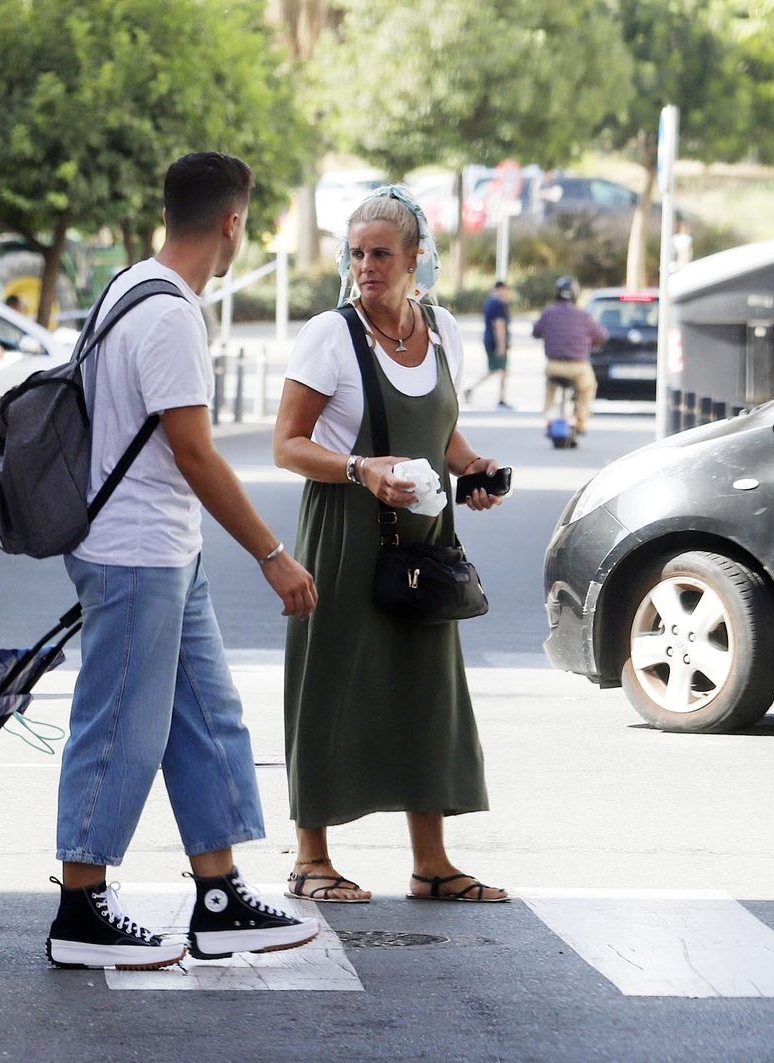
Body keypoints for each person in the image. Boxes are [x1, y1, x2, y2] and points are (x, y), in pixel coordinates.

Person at [46, 152, 318, 971]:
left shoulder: (129, 285)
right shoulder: (170, 316)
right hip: (134, 552)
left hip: (164, 548)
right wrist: (273, 555)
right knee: (120, 725)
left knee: (206, 716)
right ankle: (80, 907)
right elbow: (195, 452)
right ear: (232, 222)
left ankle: (221, 893)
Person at [274, 187, 508, 907]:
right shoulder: (329, 335)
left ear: (415, 259)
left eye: (381, 253)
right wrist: (358, 468)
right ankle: (311, 856)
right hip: (345, 531)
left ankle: (431, 863)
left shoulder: (442, 331)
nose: (366, 266)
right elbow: (287, 445)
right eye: (356, 253)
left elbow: (440, 432)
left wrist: (470, 468)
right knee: (330, 682)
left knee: (424, 689)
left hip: (427, 533)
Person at [533, 276, 606, 435]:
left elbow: (536, 332)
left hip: (553, 366)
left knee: (550, 385)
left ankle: (549, 414)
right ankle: (581, 420)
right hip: (578, 367)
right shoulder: (583, 315)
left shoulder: (548, 313)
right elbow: (601, 335)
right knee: (588, 387)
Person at [463, 280, 513, 410]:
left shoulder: (491, 303)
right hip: (495, 342)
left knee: (502, 370)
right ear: (500, 290)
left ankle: (501, 397)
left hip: (490, 340)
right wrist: (501, 345)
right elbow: (499, 325)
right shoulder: (498, 305)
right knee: (495, 369)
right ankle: (471, 388)